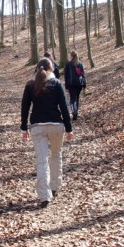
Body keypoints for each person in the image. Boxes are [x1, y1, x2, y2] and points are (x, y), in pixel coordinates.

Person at [21, 58, 73, 208]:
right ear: (52, 69)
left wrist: (24, 128)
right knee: (56, 155)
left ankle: (45, 196)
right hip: (56, 126)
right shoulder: (56, 84)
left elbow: (24, 108)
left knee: (42, 161)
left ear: (36, 69)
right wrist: (69, 129)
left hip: (38, 127)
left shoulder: (31, 85)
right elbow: (64, 107)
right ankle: (55, 187)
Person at [64, 50, 86, 121]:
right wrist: (84, 84)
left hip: (71, 84)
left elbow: (66, 76)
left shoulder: (68, 65)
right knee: (77, 98)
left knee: (73, 99)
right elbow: (83, 75)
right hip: (79, 84)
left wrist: (66, 86)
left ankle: (74, 112)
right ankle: (76, 112)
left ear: (71, 56)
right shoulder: (80, 64)